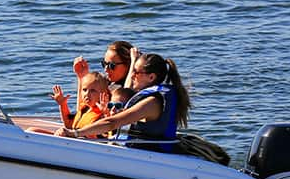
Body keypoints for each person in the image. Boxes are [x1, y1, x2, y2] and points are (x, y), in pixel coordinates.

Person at [56, 52, 191, 152]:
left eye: (136, 72)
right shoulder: (144, 95)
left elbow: (112, 122)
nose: (132, 75)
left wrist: (75, 134)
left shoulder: (152, 103)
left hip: (147, 156)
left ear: (151, 77)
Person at [30, 72, 110, 138]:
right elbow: (68, 124)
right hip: (71, 141)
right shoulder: (84, 109)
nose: (87, 94)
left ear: (103, 94)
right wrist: (62, 104)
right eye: (84, 90)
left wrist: (106, 113)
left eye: (93, 91)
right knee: (32, 131)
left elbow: (107, 130)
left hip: (84, 145)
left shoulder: (101, 114)